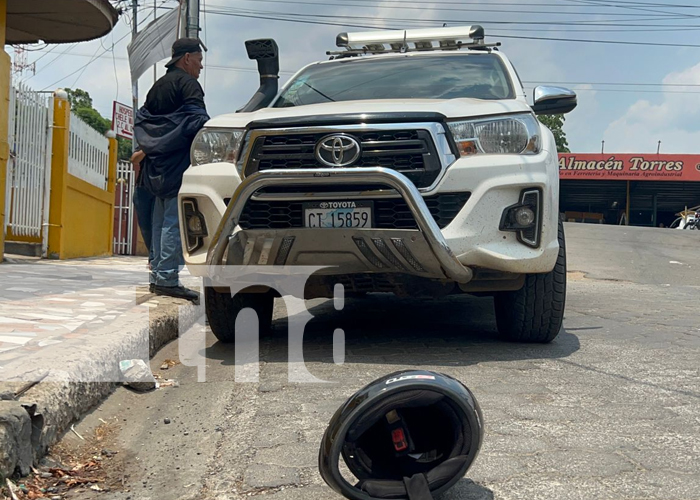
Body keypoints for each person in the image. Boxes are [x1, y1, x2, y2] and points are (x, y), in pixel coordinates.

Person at [134, 38, 210, 302]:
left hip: (155, 162)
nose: (200, 67)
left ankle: (158, 275)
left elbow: (143, 121)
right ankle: (167, 278)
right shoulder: (188, 84)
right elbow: (198, 121)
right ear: (187, 58)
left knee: (159, 217)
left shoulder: (157, 87)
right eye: (199, 61)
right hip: (178, 161)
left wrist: (156, 144)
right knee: (173, 219)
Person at [130, 148, 155, 292]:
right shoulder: (146, 141)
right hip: (143, 188)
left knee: (157, 224)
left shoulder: (170, 139)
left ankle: (154, 258)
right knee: (145, 226)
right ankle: (153, 255)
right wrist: (147, 148)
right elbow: (134, 159)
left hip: (161, 189)